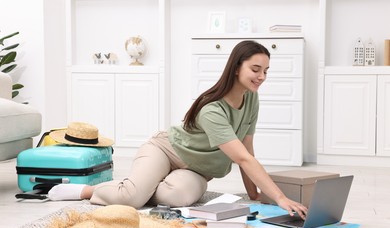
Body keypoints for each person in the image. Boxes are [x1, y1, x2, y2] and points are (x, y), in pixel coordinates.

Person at [48, 40, 308, 219]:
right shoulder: (212, 109)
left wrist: (255, 195)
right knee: (133, 199)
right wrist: (281, 198)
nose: (261, 76)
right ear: (237, 66)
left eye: (266, 70)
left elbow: (247, 149)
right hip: (166, 150)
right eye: (255, 69)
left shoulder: (251, 98)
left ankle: (141, 185)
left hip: (198, 169)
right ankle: (88, 190)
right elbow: (241, 158)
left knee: (178, 198)